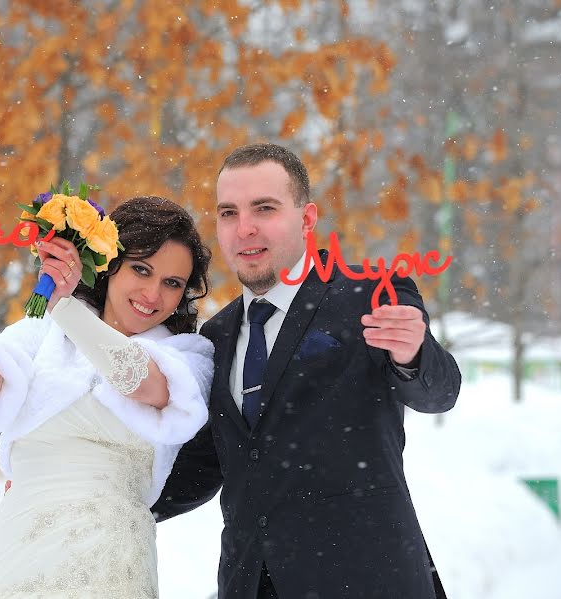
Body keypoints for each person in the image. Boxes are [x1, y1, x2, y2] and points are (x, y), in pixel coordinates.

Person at [152, 143, 462, 598]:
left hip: (365, 580)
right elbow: (204, 464)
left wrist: (413, 355)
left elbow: (438, 393)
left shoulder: (370, 296)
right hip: (251, 584)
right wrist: (98, 493)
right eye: (228, 213)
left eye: (264, 208)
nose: (245, 229)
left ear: (307, 218)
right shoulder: (214, 337)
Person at [0, 196, 214, 598]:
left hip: (110, 561)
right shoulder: (42, 335)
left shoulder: (187, 356)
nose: (153, 293)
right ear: (109, 265)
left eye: (172, 283)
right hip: (20, 552)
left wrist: (64, 303)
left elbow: (137, 380)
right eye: (141, 269)